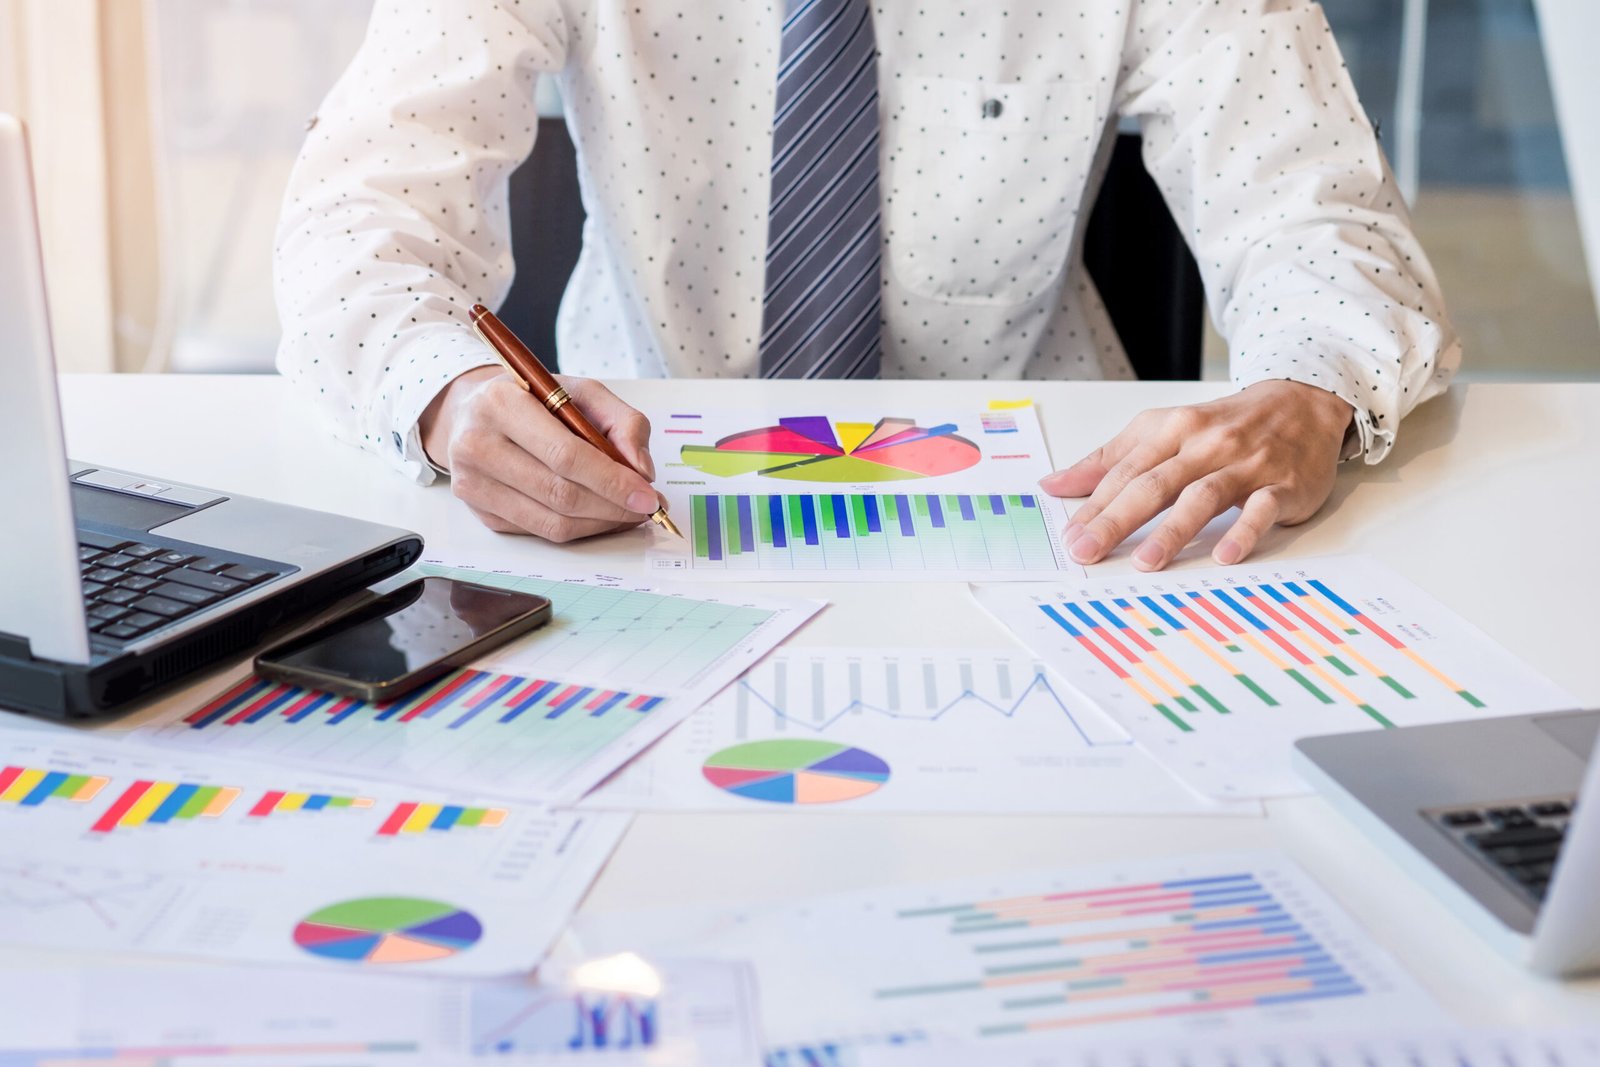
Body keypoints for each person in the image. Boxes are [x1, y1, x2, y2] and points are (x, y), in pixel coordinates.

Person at [274, 0, 1460, 571]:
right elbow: (361, 210)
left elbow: (1322, 217)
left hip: (1068, 519)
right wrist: (444, 392)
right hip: (644, 510)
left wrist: (1309, 385)